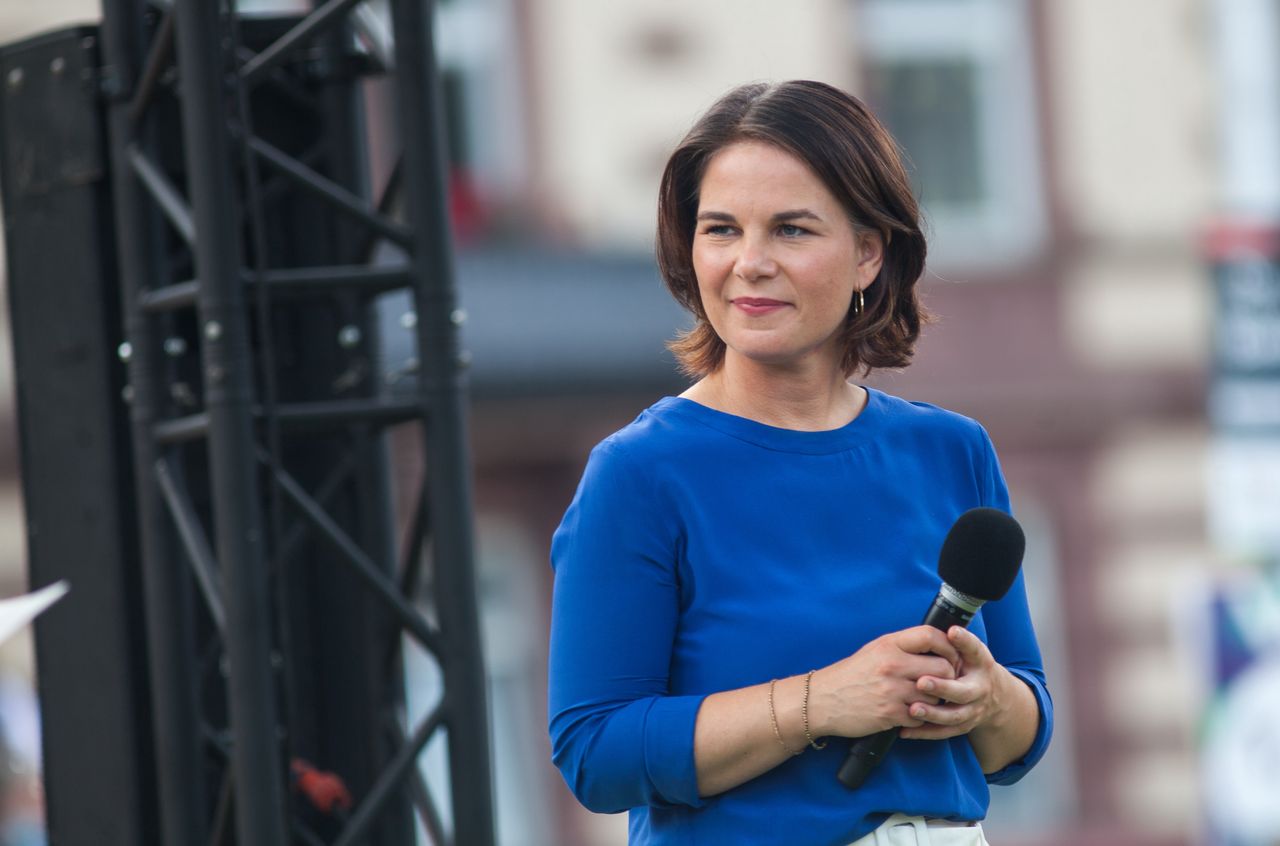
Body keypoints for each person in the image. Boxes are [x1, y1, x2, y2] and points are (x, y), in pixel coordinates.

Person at [547, 80, 1053, 846]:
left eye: (790, 230)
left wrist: (987, 701)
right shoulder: (641, 474)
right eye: (720, 229)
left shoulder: (953, 451)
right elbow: (595, 752)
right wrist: (822, 702)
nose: (750, 263)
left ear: (868, 254)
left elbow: (1020, 742)